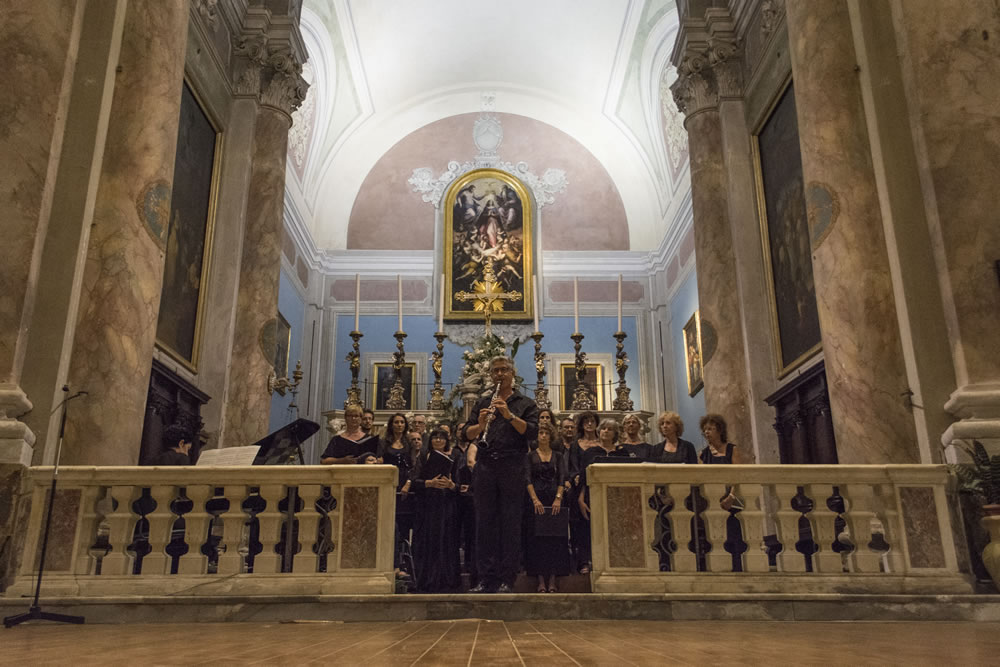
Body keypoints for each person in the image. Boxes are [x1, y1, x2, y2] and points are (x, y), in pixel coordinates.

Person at [463, 355, 539, 593]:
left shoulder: (526, 403)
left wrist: (509, 416)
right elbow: (465, 433)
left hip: (512, 466)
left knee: (510, 524)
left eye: (504, 370)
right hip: (486, 466)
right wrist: (480, 425)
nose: (499, 374)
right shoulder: (483, 402)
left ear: (512, 373)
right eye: (495, 370)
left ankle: (507, 578)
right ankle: (485, 578)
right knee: (484, 524)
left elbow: (532, 432)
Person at [401, 429, 460, 592]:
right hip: (427, 506)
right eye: (435, 438)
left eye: (441, 438)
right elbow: (414, 480)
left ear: (447, 440)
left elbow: (460, 485)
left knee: (446, 542)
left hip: (446, 506)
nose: (438, 440)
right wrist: (429, 483)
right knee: (428, 542)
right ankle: (427, 580)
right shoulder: (424, 456)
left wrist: (451, 485)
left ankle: (447, 580)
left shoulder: (455, 456)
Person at [524, 423, 569, 593]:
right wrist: (535, 500)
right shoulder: (529, 456)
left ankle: (552, 579)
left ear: (551, 436)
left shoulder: (558, 456)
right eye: (540, 433)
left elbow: (562, 477)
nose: (543, 436)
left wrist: (558, 498)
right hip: (536, 501)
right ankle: (540, 580)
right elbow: (527, 479)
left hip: (554, 499)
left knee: (554, 540)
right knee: (537, 540)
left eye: (546, 433)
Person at [568, 410, 600, 574]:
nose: (589, 424)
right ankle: (583, 561)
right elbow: (573, 465)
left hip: (598, 487)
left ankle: (599, 559)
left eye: (592, 421)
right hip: (580, 489)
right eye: (586, 421)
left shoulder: (601, 443)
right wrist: (576, 476)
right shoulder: (576, 444)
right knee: (581, 526)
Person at [451, 425, 478, 587]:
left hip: (472, 496)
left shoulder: (476, 448)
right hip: (455, 495)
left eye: (464, 429)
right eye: (459, 429)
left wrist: (471, 487)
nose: (462, 431)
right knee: (455, 532)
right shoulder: (453, 451)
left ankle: (470, 564)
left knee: (471, 533)